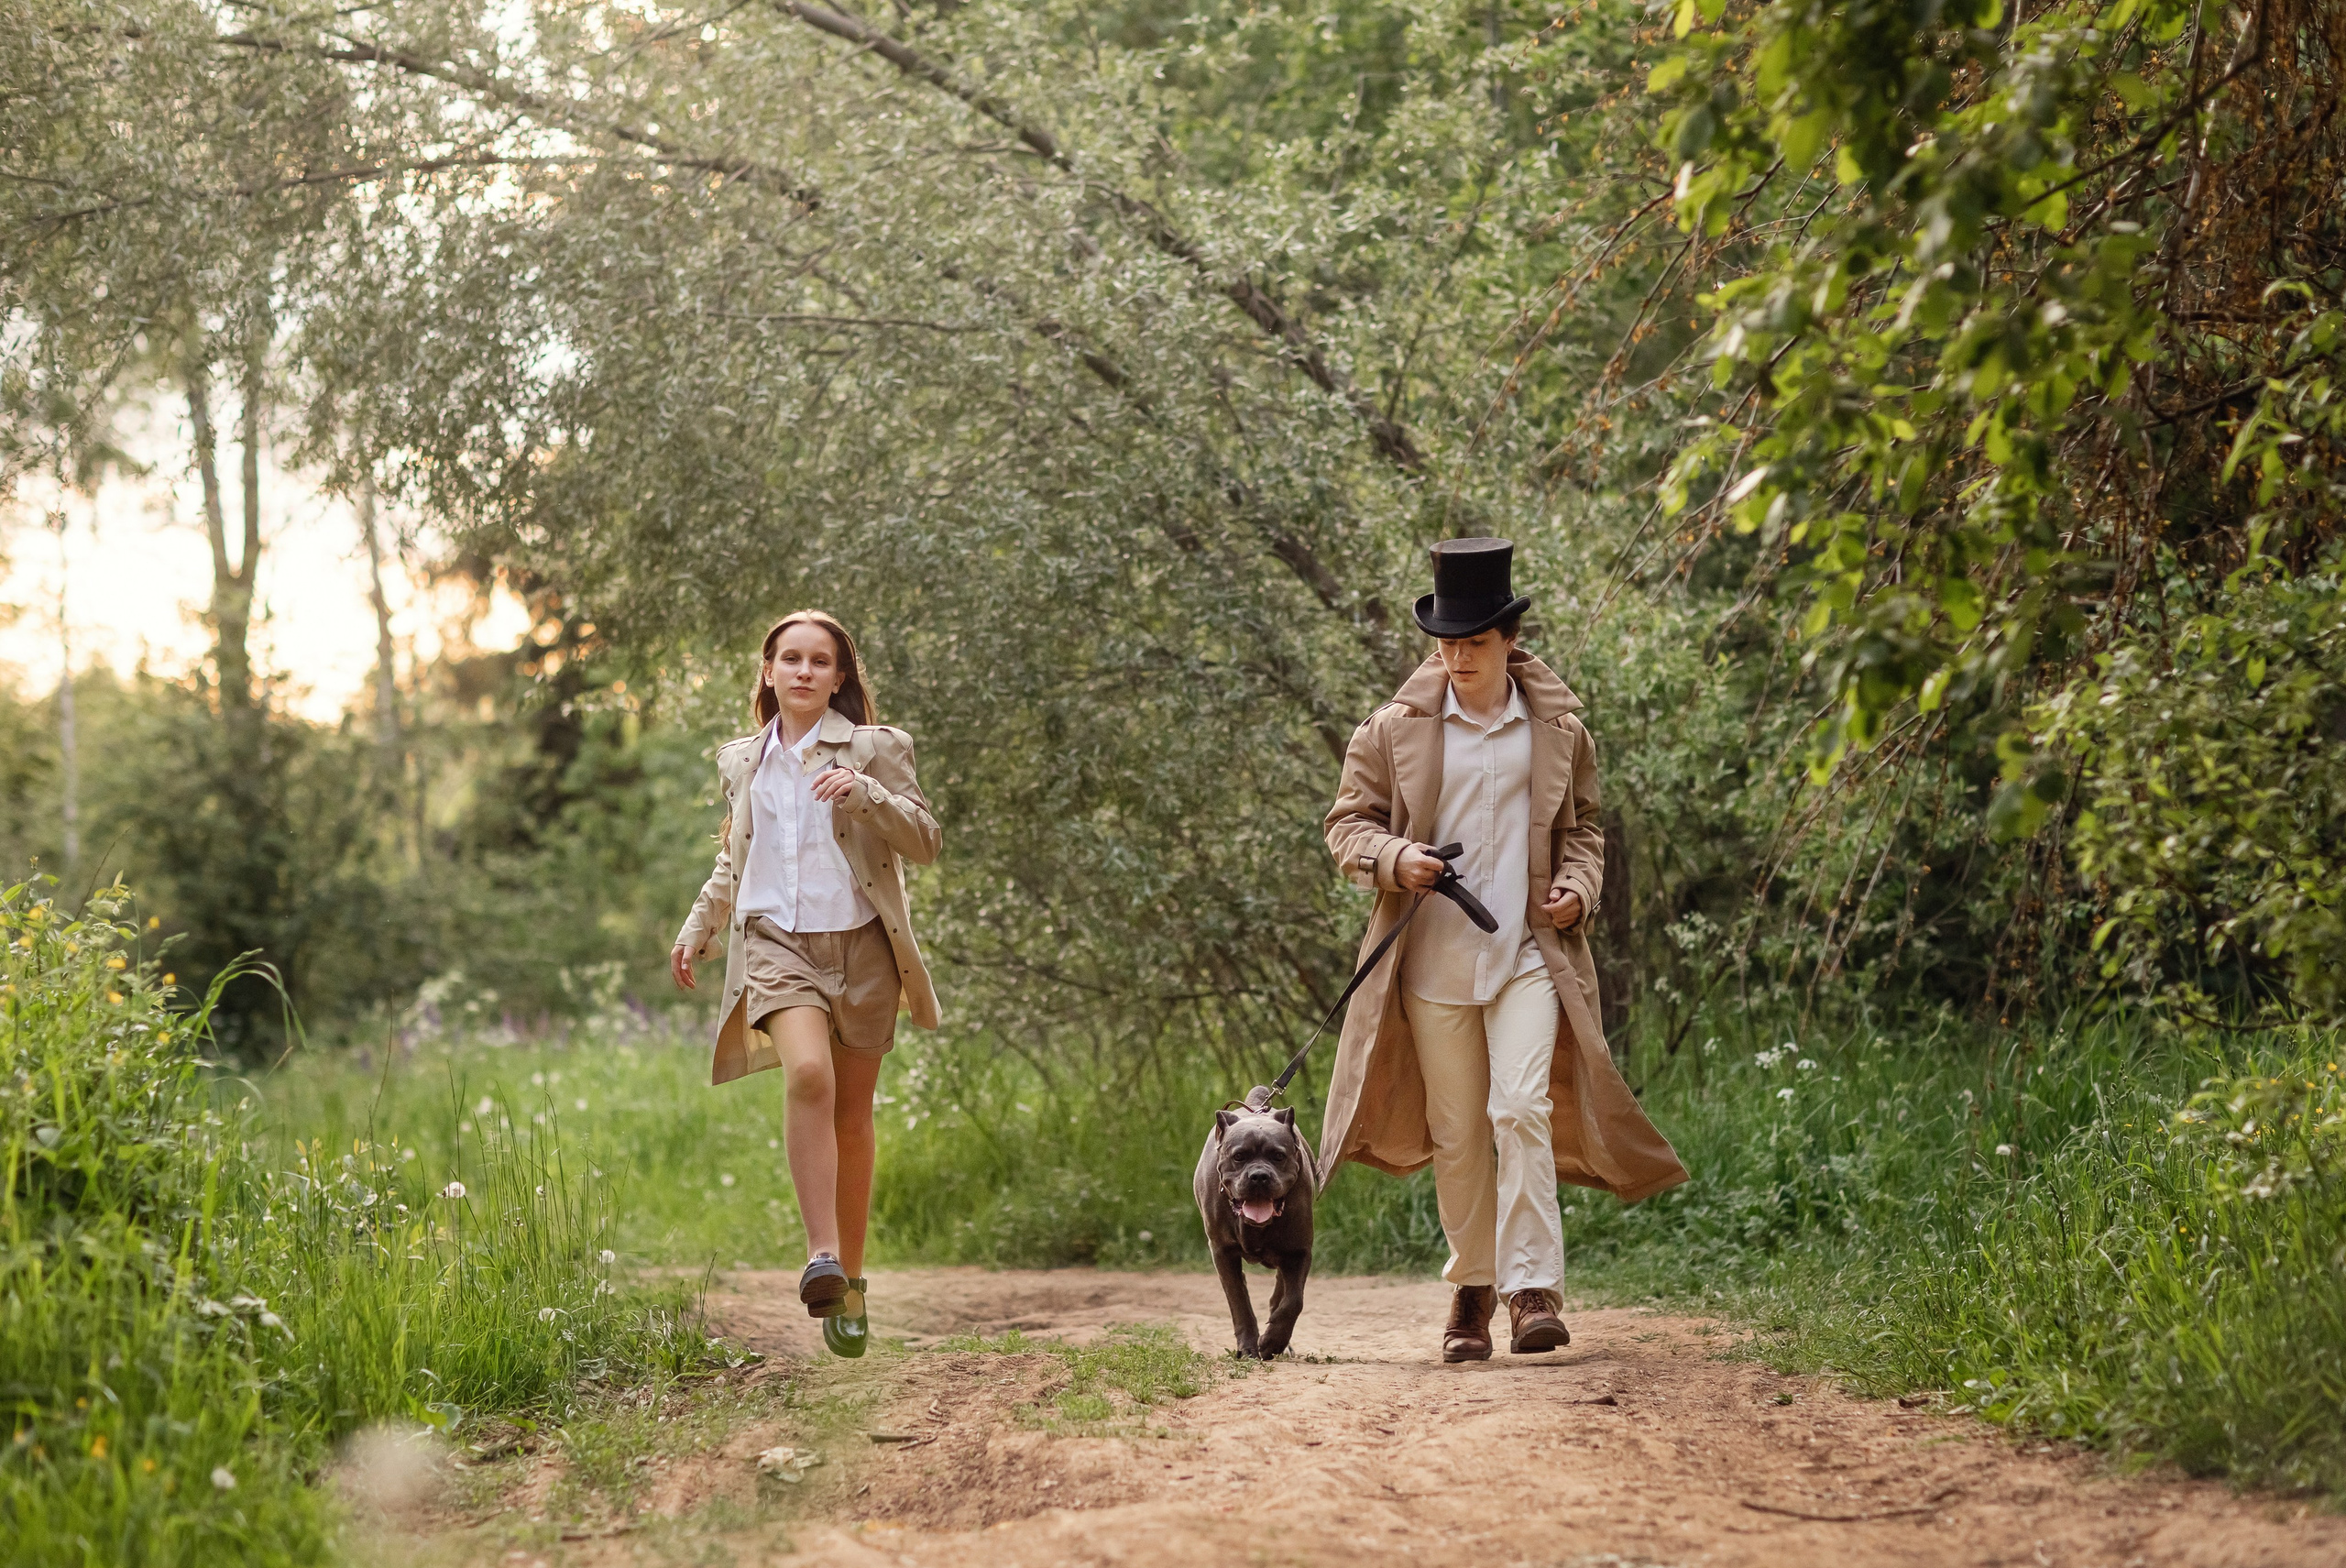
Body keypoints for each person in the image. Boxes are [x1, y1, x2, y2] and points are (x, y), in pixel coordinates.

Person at [1321, 538, 1687, 1362]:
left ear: (1510, 640)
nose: (1457, 658)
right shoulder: (1393, 730)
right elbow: (1347, 824)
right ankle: (1473, 1288)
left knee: (1520, 1107)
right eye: (1446, 643)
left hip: (1530, 952)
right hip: (1431, 959)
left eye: (1474, 643)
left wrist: (1578, 888)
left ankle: (1532, 1291)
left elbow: (1584, 829)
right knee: (1456, 1133)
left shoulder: (1558, 730)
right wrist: (1395, 858)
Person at [671, 609, 941, 1357]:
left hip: (863, 949)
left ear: (839, 676)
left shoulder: (878, 749)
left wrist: (866, 794)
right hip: (776, 942)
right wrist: (698, 925)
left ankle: (849, 1283)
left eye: (820, 661)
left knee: (852, 1117)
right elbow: (736, 857)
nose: (804, 670)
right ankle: (821, 1254)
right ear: (769, 670)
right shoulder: (743, 761)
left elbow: (926, 841)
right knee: (810, 1075)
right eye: (790, 658)